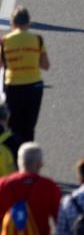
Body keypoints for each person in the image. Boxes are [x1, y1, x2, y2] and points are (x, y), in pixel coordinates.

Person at [0, 8, 49, 146]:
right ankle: (28, 152)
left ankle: (14, 152)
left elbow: (0, 64)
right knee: (29, 127)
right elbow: (45, 65)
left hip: (13, 86)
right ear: (28, 23)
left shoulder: (5, 41)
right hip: (34, 87)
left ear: (12, 23)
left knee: (13, 126)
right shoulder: (37, 40)